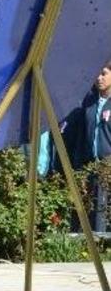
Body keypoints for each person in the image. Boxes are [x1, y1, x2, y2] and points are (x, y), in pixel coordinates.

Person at [65, 61, 111, 232]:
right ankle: (90, 243)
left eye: (104, 74)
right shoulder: (89, 103)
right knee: (89, 208)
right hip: (88, 165)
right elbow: (81, 135)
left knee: (104, 207)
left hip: (108, 166)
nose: (99, 78)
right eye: (97, 75)